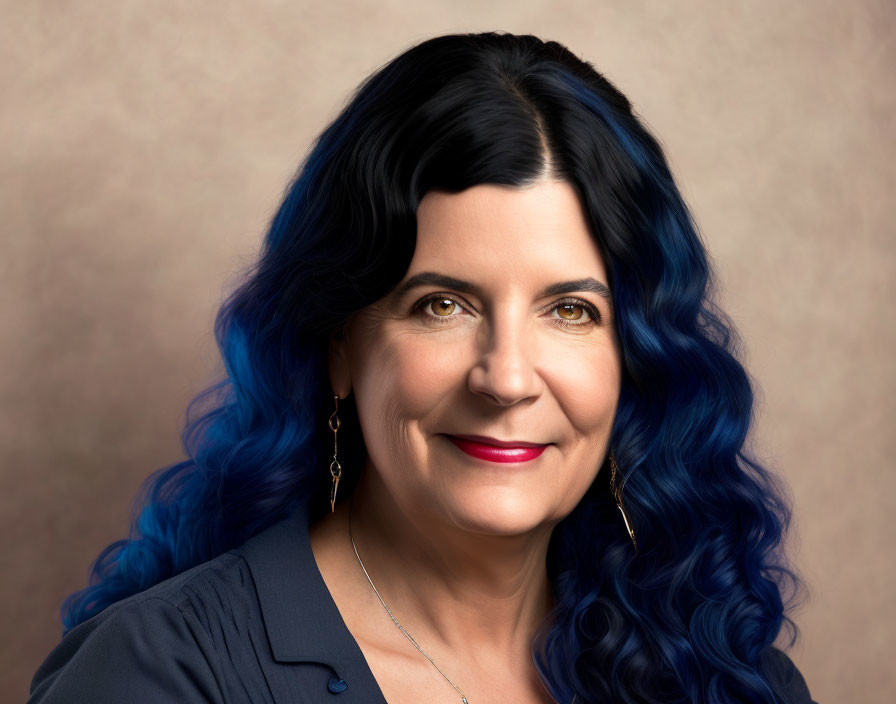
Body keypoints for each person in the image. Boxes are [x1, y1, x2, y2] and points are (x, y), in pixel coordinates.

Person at [28, 31, 817, 704]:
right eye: (444, 305)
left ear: (636, 362)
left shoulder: (727, 675)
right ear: (339, 344)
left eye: (571, 310)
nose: (506, 380)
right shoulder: (157, 673)